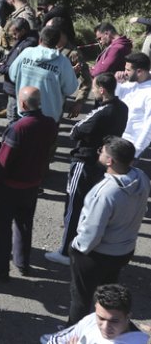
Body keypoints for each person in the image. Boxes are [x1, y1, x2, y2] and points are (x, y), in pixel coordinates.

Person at [45, 73, 129, 266]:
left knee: (74, 205)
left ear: (102, 89)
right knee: (91, 207)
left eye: (93, 87)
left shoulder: (102, 112)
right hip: (102, 162)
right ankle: (85, 243)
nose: (91, 90)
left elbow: (75, 131)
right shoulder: (121, 108)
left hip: (84, 161)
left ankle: (66, 250)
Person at [67, 136, 150, 324]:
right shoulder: (141, 178)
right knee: (106, 296)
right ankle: (103, 329)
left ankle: (72, 334)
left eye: (101, 152)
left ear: (110, 161)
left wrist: (77, 247)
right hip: (123, 250)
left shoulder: (105, 192)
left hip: (97, 254)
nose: (99, 153)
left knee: (81, 298)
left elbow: (92, 231)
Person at [0, 87, 58, 281]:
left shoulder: (18, 128)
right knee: (24, 224)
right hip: (32, 184)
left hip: (9, 186)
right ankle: (22, 262)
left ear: (23, 103)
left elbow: (4, 159)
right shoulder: (50, 123)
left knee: (1, 227)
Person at [9, 26, 80, 123]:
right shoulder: (63, 62)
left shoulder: (26, 53)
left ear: (40, 39)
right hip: (49, 117)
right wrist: (71, 75)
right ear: (57, 43)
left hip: (24, 111)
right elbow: (69, 89)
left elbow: (12, 75)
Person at [41, 284, 147, 344]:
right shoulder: (91, 320)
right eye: (101, 318)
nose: (105, 327)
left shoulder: (140, 341)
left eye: (114, 321)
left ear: (128, 317)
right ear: (96, 308)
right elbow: (55, 340)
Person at [0, 18, 39, 121]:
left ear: (23, 31)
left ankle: (13, 135)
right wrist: (3, 62)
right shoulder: (23, 40)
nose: (13, 36)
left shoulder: (26, 46)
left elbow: (15, 69)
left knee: (13, 116)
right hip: (15, 86)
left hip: (16, 87)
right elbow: (12, 58)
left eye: (15, 33)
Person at [115, 52, 151, 158]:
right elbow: (114, 102)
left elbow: (149, 127)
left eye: (128, 70)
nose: (124, 73)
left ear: (139, 71)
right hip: (116, 139)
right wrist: (117, 83)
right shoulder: (129, 83)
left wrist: (135, 152)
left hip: (131, 146)